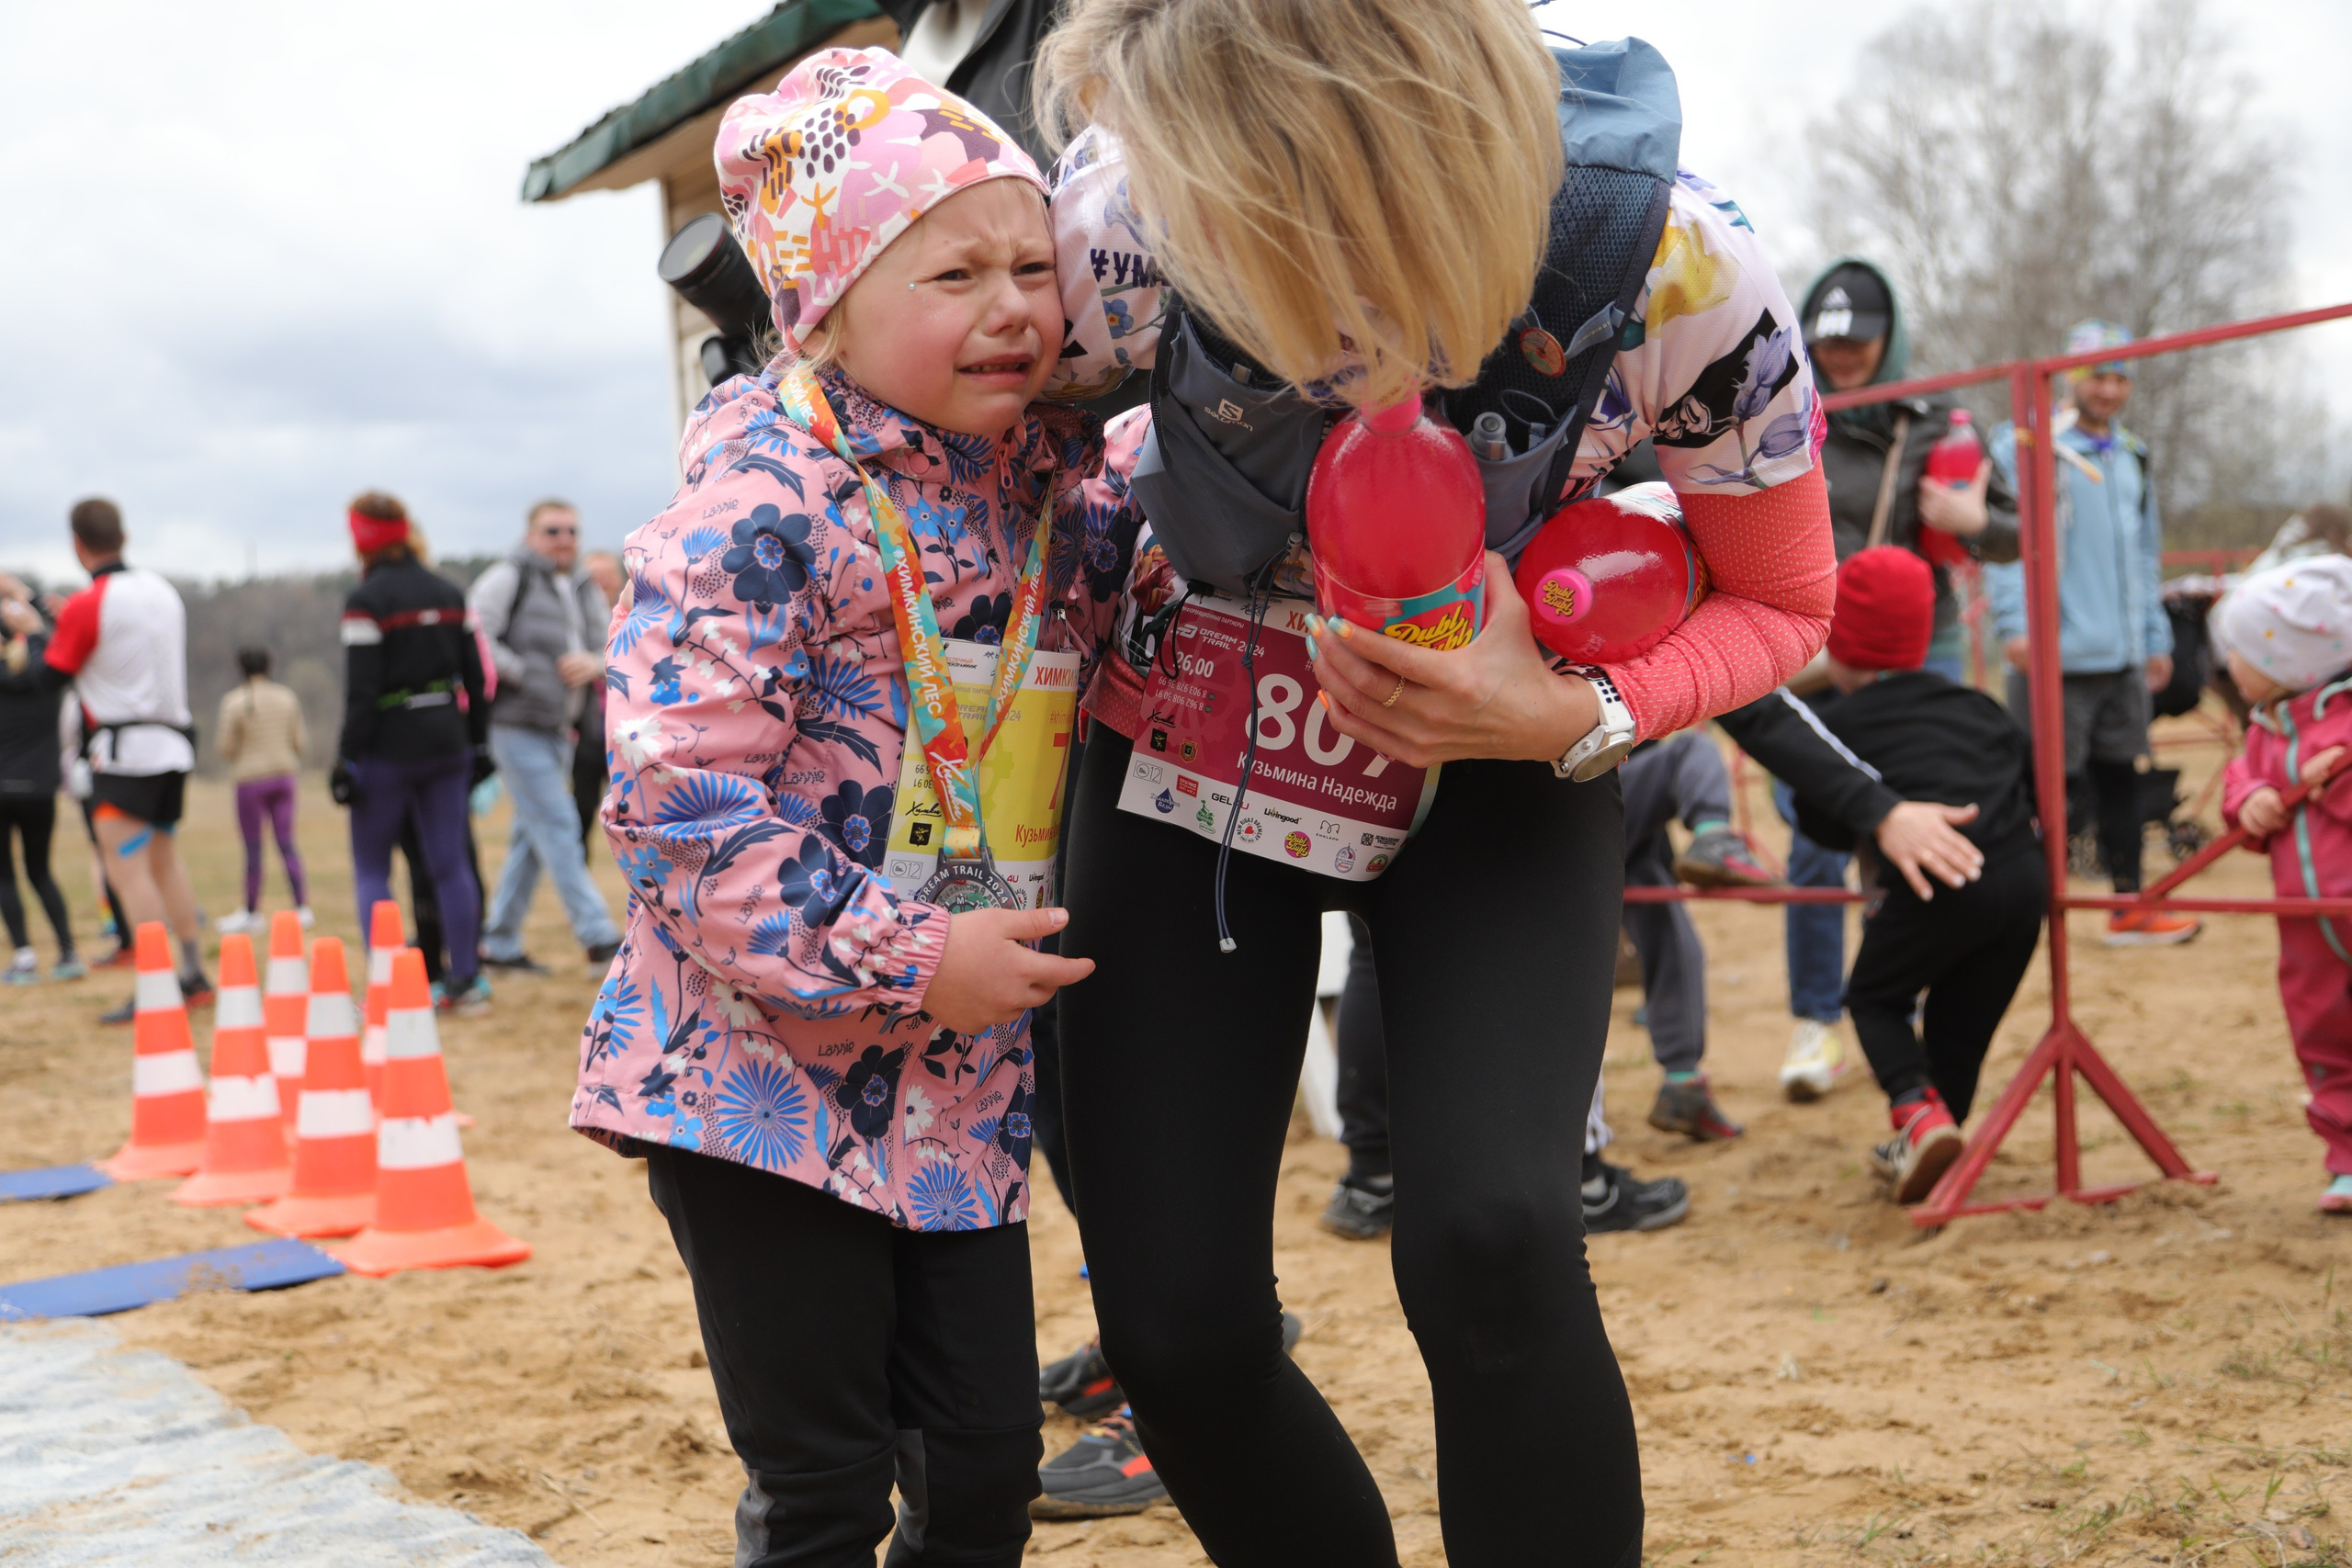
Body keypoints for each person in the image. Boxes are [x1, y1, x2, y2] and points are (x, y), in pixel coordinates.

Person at [1034, 7, 1836, 1560]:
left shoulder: (1675, 262)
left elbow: (1790, 602)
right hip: (1192, 730)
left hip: (1504, 743)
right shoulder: (1117, 215)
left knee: (1494, 1240)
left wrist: (1572, 708)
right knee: (1174, 1320)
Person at [573, 52, 1107, 1565]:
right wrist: (906, 954)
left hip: (959, 1083)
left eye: (1033, 263)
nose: (1014, 303)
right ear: (826, 301)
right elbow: (677, 798)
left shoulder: (1052, 479)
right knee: (823, 1486)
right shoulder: (761, 495)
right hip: (756, 1081)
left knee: (991, 1467)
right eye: (953, 269)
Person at [1773, 259, 2022, 1102]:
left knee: (1934, 819)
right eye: (1827, 343)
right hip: (1814, 642)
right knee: (1816, 829)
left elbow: (2018, 532)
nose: (1841, 358)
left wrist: (1973, 521)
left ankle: (1902, 1003)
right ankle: (1816, 1021)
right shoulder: (1786, 411)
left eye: (1860, 343)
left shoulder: (1942, 418)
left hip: (1922, 642)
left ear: (1893, 339)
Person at [1791, 549, 2046, 1201]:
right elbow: (2037, 785)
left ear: (1837, 638)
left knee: (1875, 998)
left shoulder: (1838, 728)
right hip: (2022, 884)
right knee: (1958, 1026)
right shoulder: (1978, 707)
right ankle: (1936, 1134)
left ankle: (1916, 1110)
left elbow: (1821, 823)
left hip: (1936, 884)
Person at [1984, 321, 2198, 946]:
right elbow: (2005, 539)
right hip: (2056, 654)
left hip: (2122, 655)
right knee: (2048, 788)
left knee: (2122, 777)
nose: (2107, 389)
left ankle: (2129, 903)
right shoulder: (2028, 445)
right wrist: (2016, 624)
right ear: (2070, 376)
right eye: (2095, 374)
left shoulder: (2131, 454)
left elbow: (2146, 552)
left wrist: (2153, 634)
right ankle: (2026, 909)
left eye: (2118, 376)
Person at [0, 500, 208, 1019]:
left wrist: (32, 628)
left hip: (123, 756)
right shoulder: (161, 591)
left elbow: (49, 675)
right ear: (123, 534)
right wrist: (43, 608)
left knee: (127, 871)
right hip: (172, 745)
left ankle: (157, 987)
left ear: (77, 543)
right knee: (165, 861)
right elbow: (112, 634)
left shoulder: (92, 604)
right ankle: (192, 973)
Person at [2214, 558, 2352, 1214]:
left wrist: (2330, 776)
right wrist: (2251, 799)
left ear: (2294, 658)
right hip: (2304, 924)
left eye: (2240, 652)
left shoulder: (2344, 721)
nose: (2230, 665)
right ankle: (2347, 1158)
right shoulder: (2265, 727)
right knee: (2321, 1030)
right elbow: (2239, 780)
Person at [334, 493, 492, 1015]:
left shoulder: (367, 601)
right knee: (450, 864)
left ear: (361, 539)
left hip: (387, 748)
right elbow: (475, 677)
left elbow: (362, 692)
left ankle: (385, 988)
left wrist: (345, 759)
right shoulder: (450, 592)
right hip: (447, 740)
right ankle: (465, 981)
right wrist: (479, 743)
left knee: (373, 869)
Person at [469, 501, 621, 972]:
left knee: (530, 838)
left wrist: (595, 664)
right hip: (514, 725)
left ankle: (499, 942)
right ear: (531, 534)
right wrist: (523, 673)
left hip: (561, 728)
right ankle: (599, 938)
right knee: (558, 825)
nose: (563, 539)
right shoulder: (507, 577)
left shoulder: (581, 586)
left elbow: (610, 642)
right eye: (552, 530)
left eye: (572, 530)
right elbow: (474, 633)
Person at [0, 577, 82, 983]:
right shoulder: (45, 682)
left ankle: (25, 957)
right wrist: (26, 604)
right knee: (40, 871)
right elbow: (55, 651)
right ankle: (67, 951)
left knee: (4, 876)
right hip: (39, 788)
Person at [214, 646, 311, 933]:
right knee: (286, 842)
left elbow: (225, 747)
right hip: (284, 777)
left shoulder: (234, 702)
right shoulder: (286, 698)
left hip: (250, 781)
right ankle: (302, 907)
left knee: (254, 847)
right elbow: (300, 742)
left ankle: (252, 912)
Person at [573, 550, 623, 855]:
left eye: (607, 574)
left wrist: (597, 665)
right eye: (594, 576)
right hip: (587, 733)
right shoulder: (573, 620)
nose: (601, 581)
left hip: (624, 731)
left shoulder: (636, 614)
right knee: (580, 808)